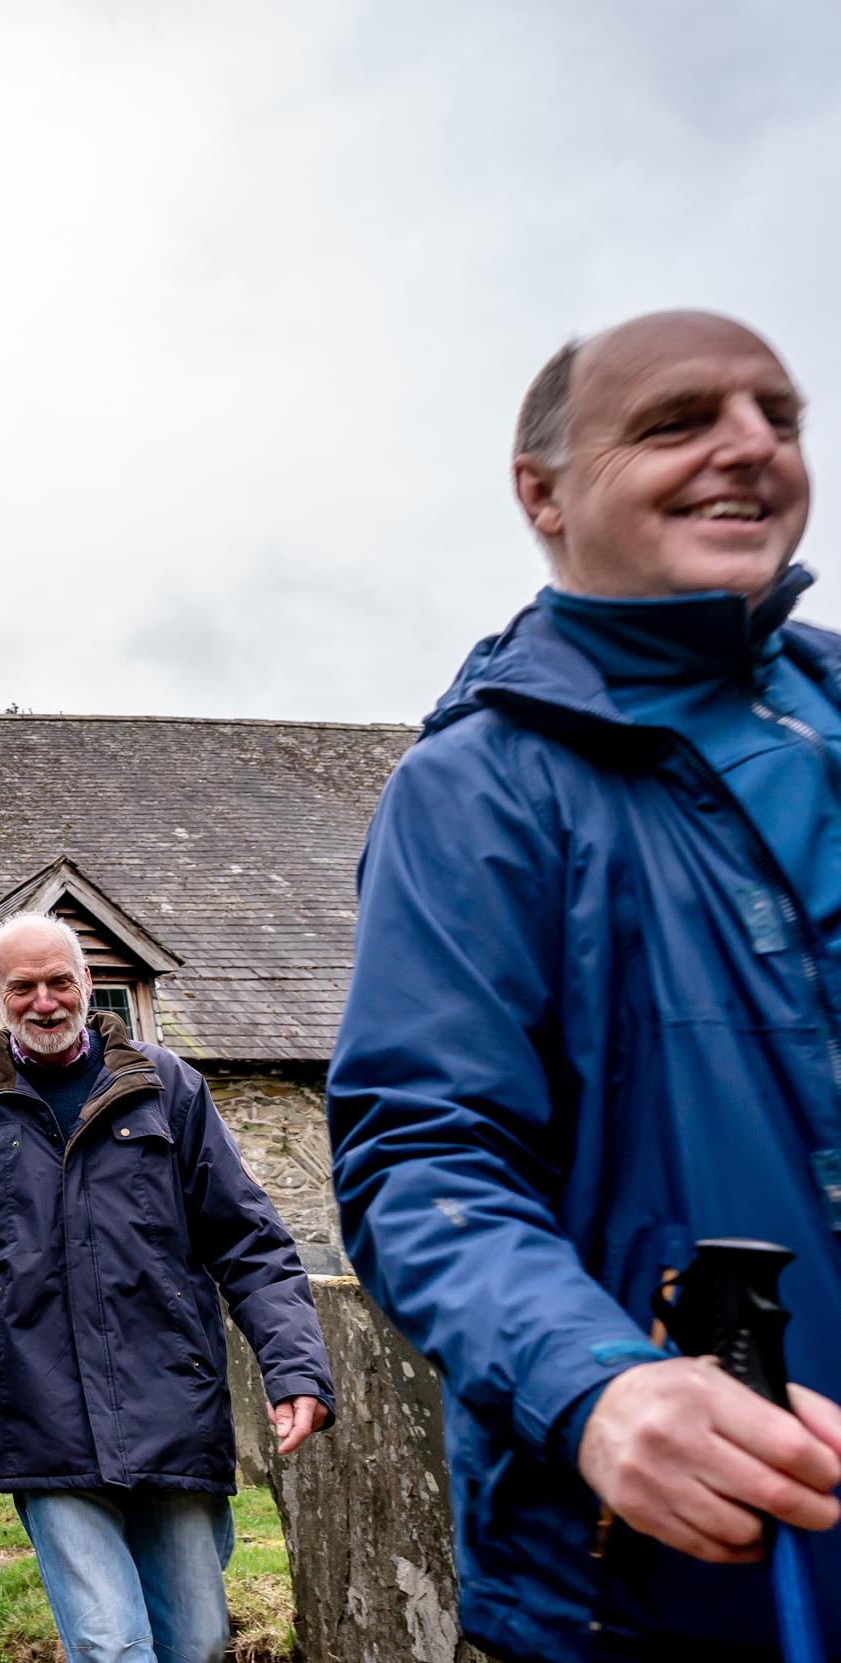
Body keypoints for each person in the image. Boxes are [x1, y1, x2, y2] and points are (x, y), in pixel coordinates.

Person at [329, 310, 841, 1660]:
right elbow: (424, 1155)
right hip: (659, 1585)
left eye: (778, 417)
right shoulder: (479, 790)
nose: (749, 446)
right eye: (678, 420)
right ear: (542, 490)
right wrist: (600, 1386)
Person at [0, 913, 332, 1663]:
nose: (43, 1001)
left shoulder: (170, 1088)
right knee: (108, 1643)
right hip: (43, 1414)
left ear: (87, 984)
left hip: (172, 1405)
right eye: (21, 987)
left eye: (58, 981)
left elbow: (250, 1243)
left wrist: (295, 1366)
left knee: (194, 1641)